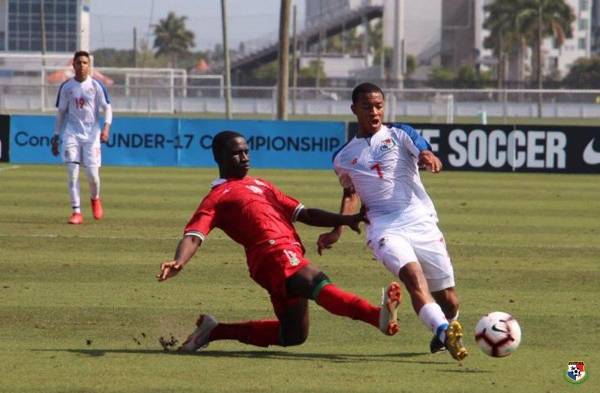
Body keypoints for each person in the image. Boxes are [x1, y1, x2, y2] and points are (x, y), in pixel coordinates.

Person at [156, 130, 403, 352]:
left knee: (293, 335)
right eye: (236, 154)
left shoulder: (261, 185)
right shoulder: (217, 197)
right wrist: (179, 261)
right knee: (316, 282)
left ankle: (214, 330)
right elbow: (194, 235)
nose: (244, 158)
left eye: (246, 152)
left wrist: (346, 219)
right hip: (271, 255)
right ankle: (375, 316)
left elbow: (305, 214)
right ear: (219, 157)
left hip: (286, 256)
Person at [316, 82, 467, 361]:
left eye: (379, 106)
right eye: (367, 107)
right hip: (384, 228)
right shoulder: (343, 157)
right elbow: (350, 193)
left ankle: (447, 325)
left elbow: (422, 149)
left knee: (448, 298)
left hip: (420, 221)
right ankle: (445, 330)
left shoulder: (400, 133)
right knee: (413, 278)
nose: (374, 112)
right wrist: (338, 228)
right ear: (354, 110)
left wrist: (428, 155)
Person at [51, 50, 112, 225]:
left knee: (93, 176)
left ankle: (95, 198)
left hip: (92, 135)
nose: (82, 66)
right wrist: (56, 135)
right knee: (72, 174)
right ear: (74, 65)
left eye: (85, 63)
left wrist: (106, 128)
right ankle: (76, 211)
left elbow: (107, 108)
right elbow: (61, 113)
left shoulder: (96, 86)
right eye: (79, 63)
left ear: (89, 65)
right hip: (72, 133)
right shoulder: (67, 87)